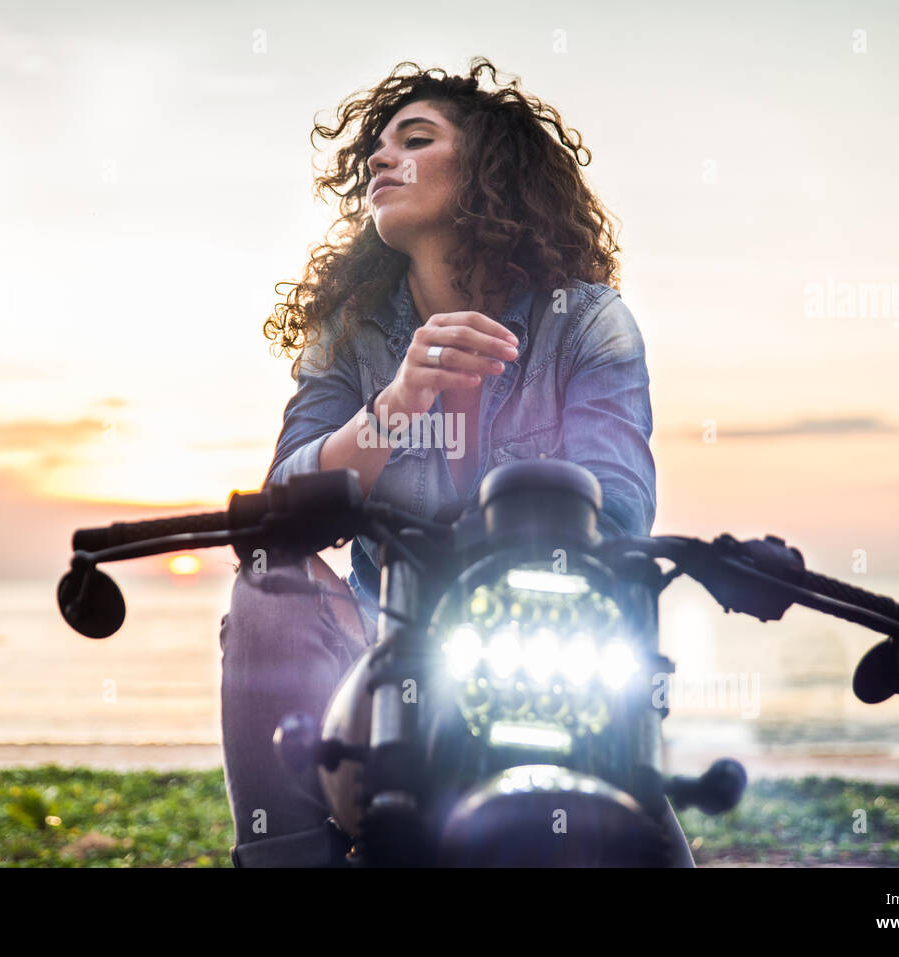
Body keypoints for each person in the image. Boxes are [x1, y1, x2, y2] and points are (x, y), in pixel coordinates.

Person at [218, 56, 693, 867]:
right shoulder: (353, 332)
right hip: (384, 655)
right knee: (266, 591)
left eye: (415, 138)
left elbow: (617, 511)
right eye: (375, 145)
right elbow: (280, 512)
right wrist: (396, 405)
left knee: (650, 833)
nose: (377, 158)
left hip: (546, 645)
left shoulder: (589, 324)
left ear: (486, 175)